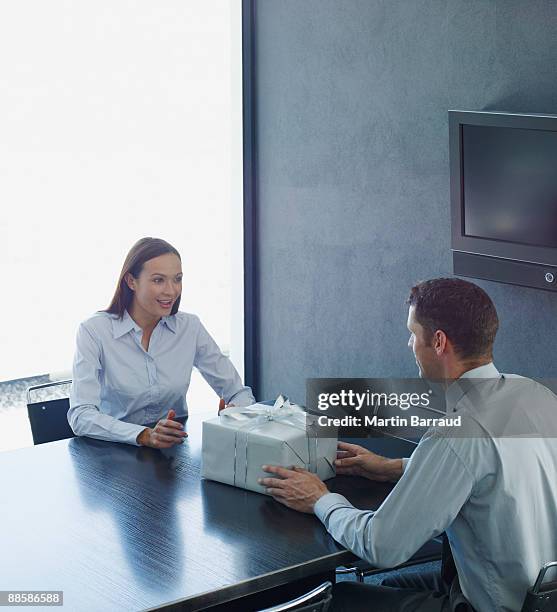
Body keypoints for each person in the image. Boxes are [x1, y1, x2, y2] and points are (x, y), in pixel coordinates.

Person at [260, 278, 557, 612]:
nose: (409, 344)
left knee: (342, 598)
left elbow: (382, 546)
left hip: (493, 606)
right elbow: (492, 476)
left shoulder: (457, 433)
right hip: (540, 597)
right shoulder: (537, 396)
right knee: (393, 587)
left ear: (439, 342)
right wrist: (394, 468)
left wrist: (321, 500)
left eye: (414, 334)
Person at [68, 237, 255, 448]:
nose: (171, 291)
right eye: (158, 280)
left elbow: (239, 393)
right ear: (131, 281)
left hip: (173, 452)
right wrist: (144, 435)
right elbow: (81, 416)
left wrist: (236, 413)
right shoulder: (94, 331)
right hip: (112, 454)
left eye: (177, 279)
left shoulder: (189, 327)